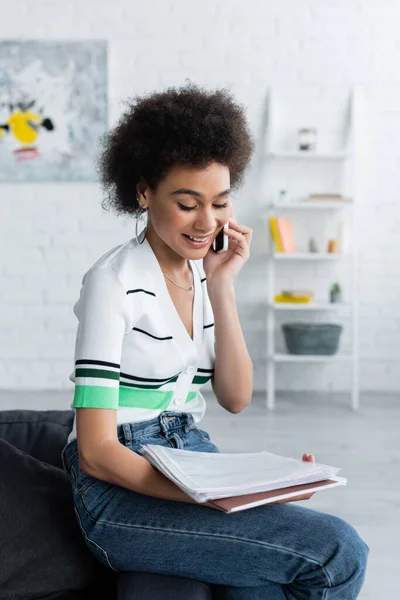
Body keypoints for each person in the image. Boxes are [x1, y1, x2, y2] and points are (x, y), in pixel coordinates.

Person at [61, 83, 369, 599]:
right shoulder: (111, 284)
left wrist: (223, 284)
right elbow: (95, 452)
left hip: (193, 457)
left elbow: (236, 397)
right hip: (118, 495)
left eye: (220, 203)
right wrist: (204, 497)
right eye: (187, 204)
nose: (206, 223)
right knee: (338, 552)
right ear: (143, 193)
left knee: (261, 589)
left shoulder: (204, 272)